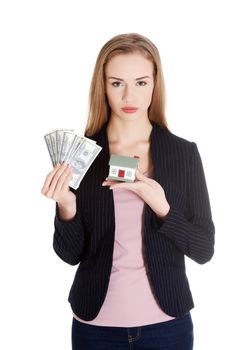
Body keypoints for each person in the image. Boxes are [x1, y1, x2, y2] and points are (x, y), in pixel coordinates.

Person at [41, 33, 215, 350]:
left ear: (155, 85)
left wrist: (162, 207)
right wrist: (67, 205)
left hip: (167, 327)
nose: (128, 96)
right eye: (117, 83)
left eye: (141, 82)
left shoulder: (183, 153)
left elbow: (204, 249)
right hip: (96, 328)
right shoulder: (84, 155)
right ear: (103, 86)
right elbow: (69, 254)